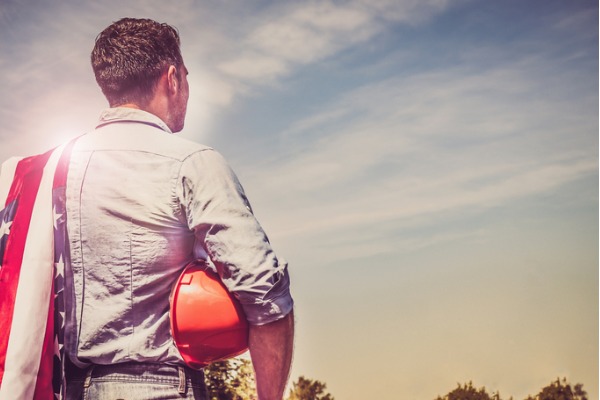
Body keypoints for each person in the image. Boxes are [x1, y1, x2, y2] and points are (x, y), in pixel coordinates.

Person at [62, 17, 294, 400]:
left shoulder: (52, 171)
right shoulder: (192, 162)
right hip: (161, 388)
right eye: (186, 76)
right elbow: (266, 295)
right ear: (172, 78)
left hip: (62, 388)